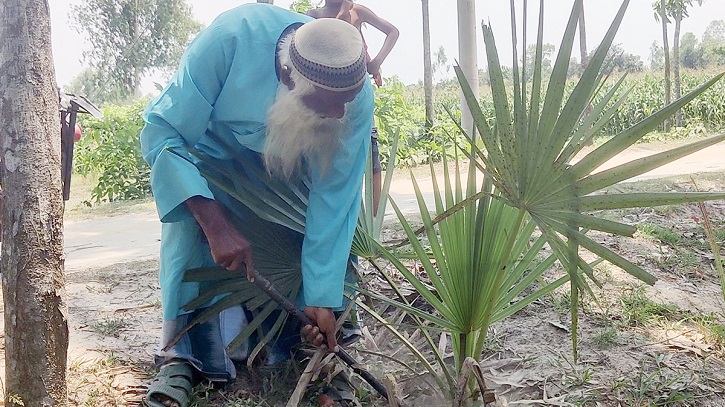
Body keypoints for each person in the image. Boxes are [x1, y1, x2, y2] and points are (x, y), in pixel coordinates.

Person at [139, 4, 374, 406]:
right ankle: (181, 357)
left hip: (288, 172)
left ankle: (326, 358)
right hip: (209, 163)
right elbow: (163, 135)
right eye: (327, 103)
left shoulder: (352, 96)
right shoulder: (229, 39)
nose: (339, 115)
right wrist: (214, 223)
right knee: (188, 231)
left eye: (346, 103)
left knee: (318, 238)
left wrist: (320, 296)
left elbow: (336, 199)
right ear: (289, 77)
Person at [308, 0, 398, 215]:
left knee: (369, 149)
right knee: (330, 151)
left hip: (358, 95)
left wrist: (376, 61)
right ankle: (339, 213)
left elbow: (392, 31)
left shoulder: (356, 11)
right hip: (327, 94)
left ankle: (373, 220)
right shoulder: (313, 15)